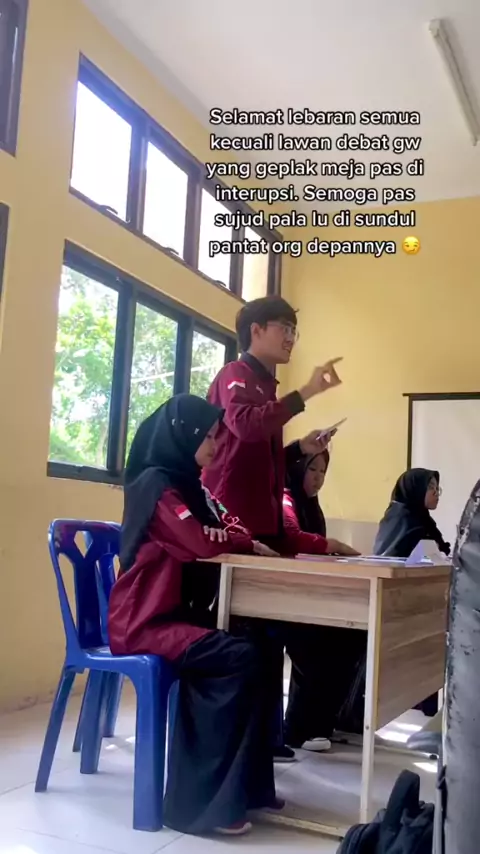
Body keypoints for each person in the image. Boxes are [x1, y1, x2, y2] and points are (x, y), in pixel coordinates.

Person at [108, 394, 278, 837]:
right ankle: (197, 807)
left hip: (173, 616)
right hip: (143, 624)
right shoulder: (157, 486)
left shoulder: (190, 487)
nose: (215, 446)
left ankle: (247, 789)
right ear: (183, 435)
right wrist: (235, 540)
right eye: (208, 437)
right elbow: (201, 541)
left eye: (217, 437)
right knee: (235, 657)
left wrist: (230, 536)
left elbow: (226, 528)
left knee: (260, 642)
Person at [203, 295, 344, 761]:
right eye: (284, 327)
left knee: (268, 639)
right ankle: (242, 746)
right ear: (256, 329)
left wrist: (299, 448)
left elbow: (261, 458)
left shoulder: (266, 385)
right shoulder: (235, 375)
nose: (291, 338)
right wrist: (306, 393)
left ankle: (266, 739)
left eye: (294, 330)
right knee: (244, 641)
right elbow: (244, 428)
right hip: (229, 527)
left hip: (262, 530)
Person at [281, 445, 366, 751]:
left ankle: (320, 724)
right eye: (312, 469)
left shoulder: (312, 506)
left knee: (351, 634)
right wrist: (333, 545)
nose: (318, 478)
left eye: (323, 472)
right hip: (284, 595)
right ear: (297, 468)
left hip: (311, 594)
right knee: (318, 644)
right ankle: (298, 729)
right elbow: (291, 536)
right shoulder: (285, 498)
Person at [373, 468, 451, 559]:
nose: (436, 493)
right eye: (431, 487)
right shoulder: (401, 519)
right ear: (415, 489)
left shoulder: (425, 520)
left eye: (437, 488)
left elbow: (440, 552)